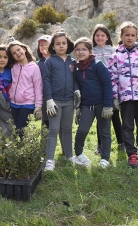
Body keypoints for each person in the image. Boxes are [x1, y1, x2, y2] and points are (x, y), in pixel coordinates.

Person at [108, 21, 138, 168]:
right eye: (126, 35)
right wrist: (115, 96)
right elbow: (113, 78)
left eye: (132, 35)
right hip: (126, 97)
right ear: (121, 36)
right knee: (127, 126)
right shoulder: (115, 56)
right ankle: (132, 154)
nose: (129, 38)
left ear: (136, 36)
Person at [73, 37, 113, 168]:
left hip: (102, 105)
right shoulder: (77, 69)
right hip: (86, 105)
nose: (80, 52)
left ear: (90, 51)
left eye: (84, 49)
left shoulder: (98, 65)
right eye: (77, 49)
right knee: (82, 130)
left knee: (104, 131)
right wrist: (78, 107)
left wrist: (108, 105)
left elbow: (107, 84)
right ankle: (78, 154)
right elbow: (77, 88)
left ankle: (105, 158)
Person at [43, 30, 77, 171]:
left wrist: (76, 90)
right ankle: (50, 159)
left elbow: (76, 79)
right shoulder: (49, 61)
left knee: (67, 129)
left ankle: (69, 155)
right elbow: (46, 81)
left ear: (68, 44)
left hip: (69, 101)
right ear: (53, 46)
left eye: (64, 43)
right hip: (54, 102)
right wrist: (49, 99)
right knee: (53, 129)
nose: (61, 46)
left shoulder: (73, 62)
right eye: (58, 44)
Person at [92, 24, 124, 153]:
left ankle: (122, 142)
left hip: (111, 88)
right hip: (97, 88)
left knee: (115, 116)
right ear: (94, 37)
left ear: (107, 37)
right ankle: (100, 145)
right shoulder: (91, 51)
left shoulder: (113, 50)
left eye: (102, 35)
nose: (100, 38)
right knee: (100, 117)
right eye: (97, 35)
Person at [7, 40, 43, 136]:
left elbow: (38, 88)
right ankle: (18, 149)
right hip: (13, 104)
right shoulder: (12, 66)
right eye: (14, 53)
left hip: (27, 103)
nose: (17, 53)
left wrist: (38, 106)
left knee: (20, 129)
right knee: (14, 129)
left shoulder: (34, 68)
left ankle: (24, 149)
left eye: (18, 50)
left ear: (24, 49)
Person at [36, 35, 52, 129]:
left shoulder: (56, 60)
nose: (43, 46)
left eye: (46, 44)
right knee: (45, 124)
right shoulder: (38, 63)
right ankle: (44, 143)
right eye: (41, 44)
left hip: (56, 96)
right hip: (44, 97)